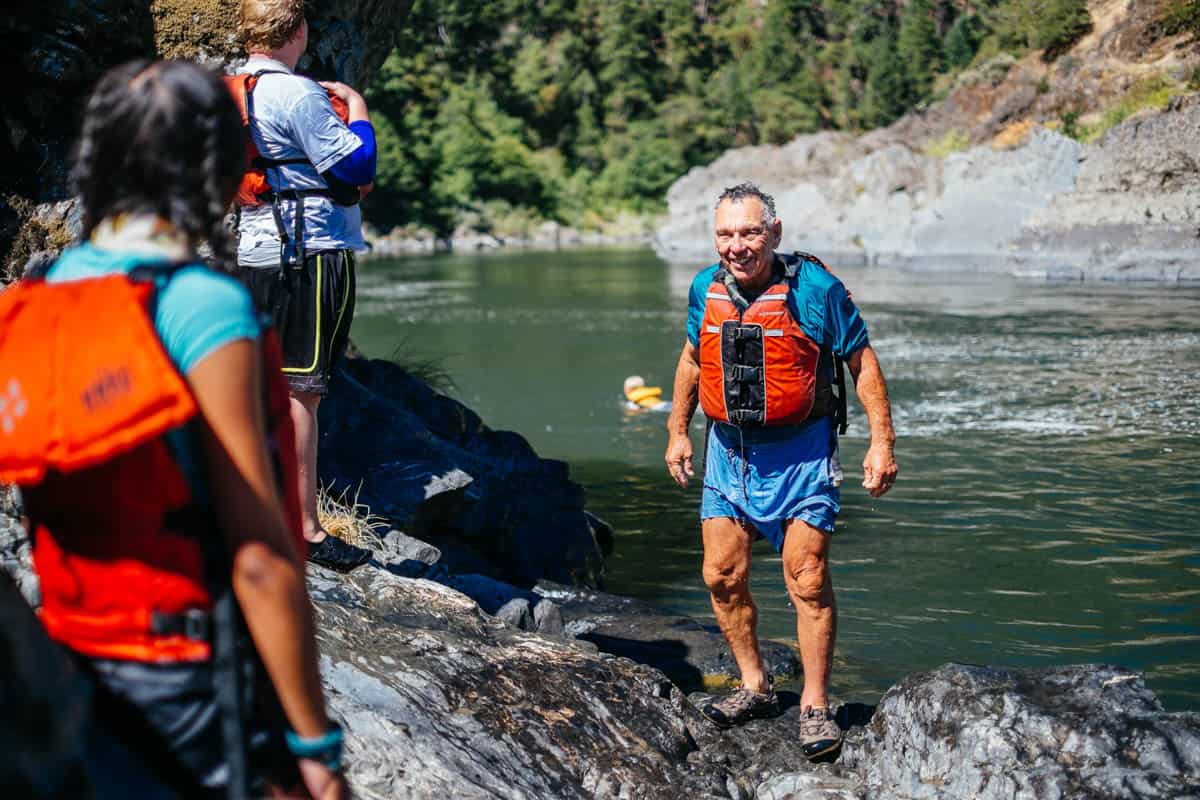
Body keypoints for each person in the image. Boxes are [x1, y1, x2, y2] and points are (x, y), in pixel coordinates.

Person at [0, 60, 348, 799]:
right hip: (189, 675)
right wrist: (313, 747)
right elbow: (260, 554)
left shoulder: (40, 293)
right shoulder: (205, 309)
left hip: (67, 658)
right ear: (222, 166)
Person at [664, 182, 898, 761]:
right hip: (729, 449)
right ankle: (755, 685)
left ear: (775, 233)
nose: (736, 245)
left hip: (801, 452)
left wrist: (882, 442)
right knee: (721, 575)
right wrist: (676, 430)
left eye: (749, 232)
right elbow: (694, 359)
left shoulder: (816, 289)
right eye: (725, 233)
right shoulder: (704, 288)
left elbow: (861, 361)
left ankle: (815, 704)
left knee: (807, 578)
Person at [232, 0, 376, 572]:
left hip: (253, 249)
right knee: (301, 394)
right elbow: (356, 168)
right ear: (298, 30)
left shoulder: (228, 88)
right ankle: (307, 530)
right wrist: (358, 108)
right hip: (309, 252)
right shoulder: (299, 93)